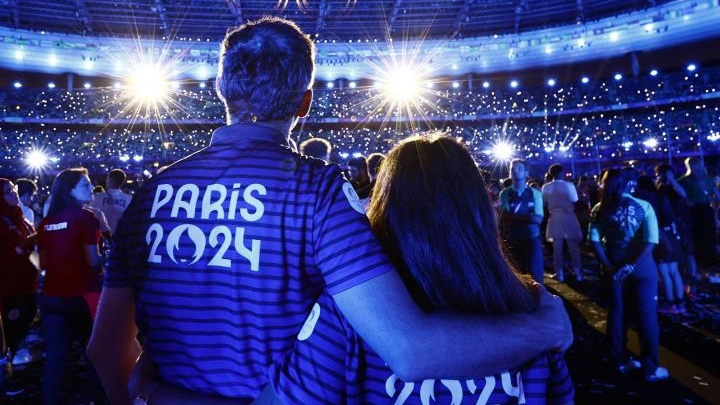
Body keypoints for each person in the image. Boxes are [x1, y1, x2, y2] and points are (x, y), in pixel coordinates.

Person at [88, 17, 571, 405]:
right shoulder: (316, 192)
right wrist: (544, 326)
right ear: (305, 101)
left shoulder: (151, 193)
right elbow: (407, 348)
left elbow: (105, 350)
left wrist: (146, 394)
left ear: (221, 88)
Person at [263, 135, 574, 404]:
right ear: (478, 209)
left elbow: (291, 397)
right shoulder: (540, 310)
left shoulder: (353, 309)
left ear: (384, 207)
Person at [589, 168, 668, 382]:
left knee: (617, 314)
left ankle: (619, 362)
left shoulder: (599, 208)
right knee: (646, 316)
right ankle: (650, 368)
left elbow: (594, 240)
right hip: (642, 268)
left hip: (612, 267)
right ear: (627, 184)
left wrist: (609, 266)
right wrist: (631, 266)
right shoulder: (643, 206)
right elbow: (650, 240)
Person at [37, 168, 106, 405]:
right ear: (70, 191)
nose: (91, 188)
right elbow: (93, 261)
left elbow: (42, 263)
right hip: (83, 295)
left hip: (51, 297)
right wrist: (110, 255)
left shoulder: (46, 222)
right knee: (95, 356)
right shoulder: (87, 218)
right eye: (85, 185)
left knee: (55, 359)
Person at [0, 179, 39, 369]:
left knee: (23, 330)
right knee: (12, 335)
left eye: (14, 189)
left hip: (28, 283)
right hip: (9, 289)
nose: (14, 193)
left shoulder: (21, 217)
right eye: (8, 191)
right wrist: (18, 250)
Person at [498, 159, 545, 283]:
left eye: (519, 168)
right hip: (512, 240)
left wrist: (514, 217)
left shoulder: (534, 193)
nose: (515, 171)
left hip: (531, 239)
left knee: (536, 276)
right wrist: (528, 218)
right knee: (515, 278)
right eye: (512, 169)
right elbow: (504, 218)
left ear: (526, 173)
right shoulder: (505, 194)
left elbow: (539, 219)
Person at [542, 164, 583, 282]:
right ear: (560, 173)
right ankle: (578, 272)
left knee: (557, 247)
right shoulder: (569, 185)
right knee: (573, 246)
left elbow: (544, 202)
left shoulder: (546, 187)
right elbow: (575, 200)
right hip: (569, 215)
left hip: (555, 216)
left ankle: (559, 273)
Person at [677, 157, 718, 265]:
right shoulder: (685, 179)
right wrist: (686, 200)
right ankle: (704, 262)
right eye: (692, 165)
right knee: (699, 236)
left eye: (695, 165)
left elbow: (716, 194)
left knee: (707, 235)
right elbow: (677, 193)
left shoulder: (708, 178)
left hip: (703, 209)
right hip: (694, 210)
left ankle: (707, 261)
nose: (695, 167)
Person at [90, 169, 132, 235]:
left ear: (109, 180)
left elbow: (89, 216)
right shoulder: (128, 200)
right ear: (122, 182)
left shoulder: (96, 197)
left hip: (99, 237)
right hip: (119, 237)